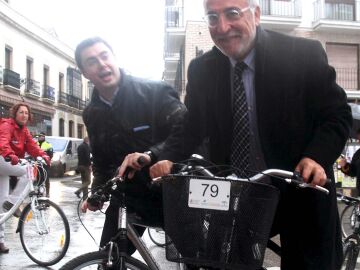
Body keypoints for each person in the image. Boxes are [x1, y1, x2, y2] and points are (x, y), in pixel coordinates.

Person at [149, 0, 353, 269]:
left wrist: (315, 156)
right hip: (239, 195)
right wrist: (157, 155)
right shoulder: (202, 70)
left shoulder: (301, 54)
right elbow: (190, 126)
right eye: (212, 17)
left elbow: (337, 114)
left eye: (232, 13)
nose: (222, 26)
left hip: (301, 191)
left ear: (256, 15)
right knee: (222, 264)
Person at [74, 37, 186, 256]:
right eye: (92, 61)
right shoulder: (91, 114)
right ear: (85, 73)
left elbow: (189, 132)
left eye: (104, 56)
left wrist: (155, 156)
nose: (102, 64)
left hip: (174, 192)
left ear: (114, 58)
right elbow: (102, 161)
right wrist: (97, 194)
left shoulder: (154, 92)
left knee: (201, 261)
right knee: (109, 261)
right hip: (128, 198)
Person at [0, 102, 51, 253]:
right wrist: (10, 154)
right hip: (2, 158)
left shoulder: (25, 131)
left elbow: (33, 147)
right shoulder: (7, 125)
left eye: (26, 113)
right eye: (21, 112)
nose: (24, 115)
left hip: (6, 164)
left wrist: (43, 155)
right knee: (29, 170)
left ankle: (0, 240)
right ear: (15, 114)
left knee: (1, 204)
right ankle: (13, 202)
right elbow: (2, 142)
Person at [339, 128, 360, 195]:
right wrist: (345, 165)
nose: (359, 141)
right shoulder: (358, 153)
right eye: (359, 139)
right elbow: (353, 171)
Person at [37, 132, 53, 197]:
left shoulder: (48, 144)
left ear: (44, 137)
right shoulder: (36, 144)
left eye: (42, 136)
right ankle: (39, 192)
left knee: (46, 178)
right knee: (39, 179)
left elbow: (51, 154)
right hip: (38, 164)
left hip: (45, 164)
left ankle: (47, 193)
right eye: (39, 136)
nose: (41, 137)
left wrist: (46, 159)